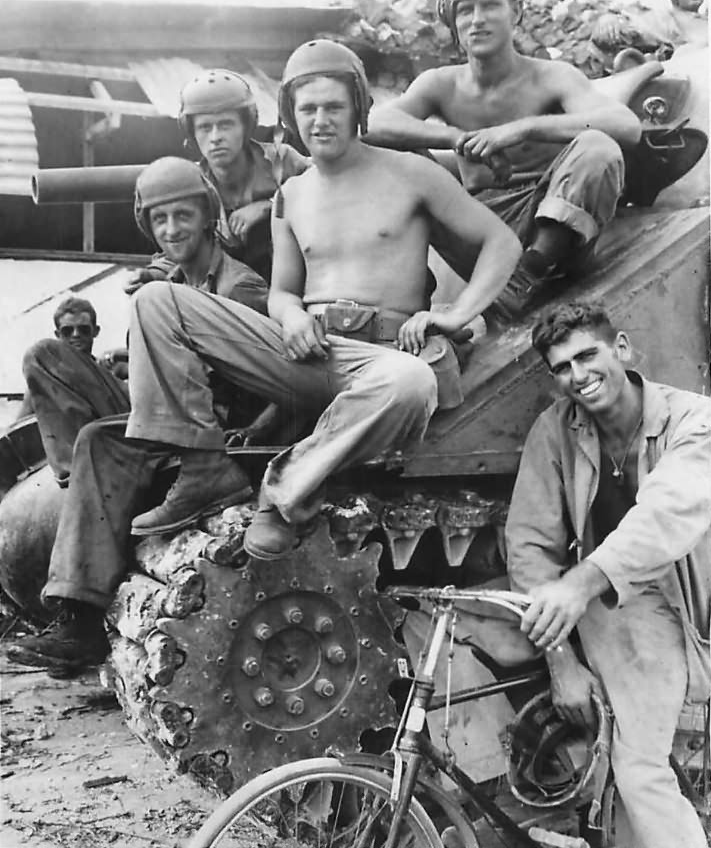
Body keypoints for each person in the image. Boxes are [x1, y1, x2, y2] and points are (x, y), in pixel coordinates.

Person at [117, 38, 521, 560]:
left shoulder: (411, 173)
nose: (320, 121)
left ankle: (284, 492)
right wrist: (290, 318)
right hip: (307, 353)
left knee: (411, 381)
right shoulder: (292, 194)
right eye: (307, 109)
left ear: (358, 108)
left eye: (334, 107)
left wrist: (458, 313)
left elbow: (501, 242)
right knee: (156, 300)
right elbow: (284, 291)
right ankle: (202, 469)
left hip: (384, 358)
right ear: (290, 115)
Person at [7, 157, 271, 677]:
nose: (171, 230)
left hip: (204, 430)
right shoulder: (171, 278)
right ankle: (83, 492)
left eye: (183, 216)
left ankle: (80, 619)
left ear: (207, 216)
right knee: (45, 357)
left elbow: (279, 374)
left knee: (97, 441)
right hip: (157, 414)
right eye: (159, 219)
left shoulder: (240, 287)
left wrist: (255, 431)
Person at [505, 300, 710, 848]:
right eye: (561, 368)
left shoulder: (696, 420)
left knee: (640, 770)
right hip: (616, 610)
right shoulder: (556, 429)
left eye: (587, 356)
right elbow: (529, 543)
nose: (578, 376)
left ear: (621, 348)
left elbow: (665, 516)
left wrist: (577, 585)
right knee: (628, 767)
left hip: (685, 603)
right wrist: (560, 659)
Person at [366, 0, 641, 323]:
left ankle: (526, 275)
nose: (477, 20)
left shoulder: (552, 76)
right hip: (483, 239)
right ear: (453, 22)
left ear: (517, 11)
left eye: (490, 5)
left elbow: (626, 125)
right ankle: (405, 295)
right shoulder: (440, 84)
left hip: (558, 231)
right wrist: (456, 138)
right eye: (465, 10)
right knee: (402, 159)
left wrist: (519, 129)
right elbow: (370, 126)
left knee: (598, 146)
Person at [125, 69, 309, 290]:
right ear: (192, 133)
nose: (215, 138)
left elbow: (330, 190)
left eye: (225, 125)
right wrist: (152, 274)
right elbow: (183, 245)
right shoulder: (193, 183)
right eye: (205, 127)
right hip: (233, 293)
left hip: (296, 286)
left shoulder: (282, 161)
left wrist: (269, 206)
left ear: (245, 126)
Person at [13, 297, 130, 487]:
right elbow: (19, 433)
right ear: (57, 334)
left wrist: (116, 355)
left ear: (95, 331)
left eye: (83, 330)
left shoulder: (109, 369)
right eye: (68, 331)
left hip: (114, 438)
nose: (76, 335)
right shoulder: (46, 384)